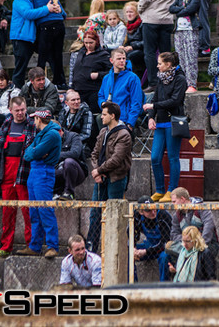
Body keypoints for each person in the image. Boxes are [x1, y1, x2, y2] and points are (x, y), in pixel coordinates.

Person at [0, 96, 35, 258]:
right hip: (7, 176)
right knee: (7, 213)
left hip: (24, 175)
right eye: (17, 110)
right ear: (10, 110)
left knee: (28, 212)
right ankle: (6, 246)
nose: (20, 113)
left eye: (23, 109)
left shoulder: (32, 124)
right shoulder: (6, 125)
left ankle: (31, 245)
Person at [87, 101, 132, 253]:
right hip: (101, 178)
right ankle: (92, 246)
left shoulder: (124, 134)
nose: (101, 117)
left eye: (104, 114)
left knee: (115, 214)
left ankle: (115, 248)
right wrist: (97, 172)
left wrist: (99, 170)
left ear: (112, 116)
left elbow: (116, 159)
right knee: (95, 213)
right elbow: (94, 153)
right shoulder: (103, 132)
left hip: (116, 179)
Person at [17, 109, 61, 259]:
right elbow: (28, 153)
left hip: (44, 172)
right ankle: (35, 246)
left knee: (45, 210)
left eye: (34, 119)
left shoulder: (51, 134)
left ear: (39, 119)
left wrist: (34, 152)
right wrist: (34, 152)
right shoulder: (42, 134)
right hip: (35, 172)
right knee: (34, 211)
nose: (33, 121)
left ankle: (52, 246)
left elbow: (33, 153)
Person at [143, 52, 186, 201]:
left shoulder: (180, 79)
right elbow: (155, 98)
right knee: (155, 157)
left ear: (168, 65)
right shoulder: (161, 78)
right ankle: (160, 190)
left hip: (173, 122)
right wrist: (150, 117)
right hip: (160, 122)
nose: (157, 66)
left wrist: (153, 105)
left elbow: (175, 101)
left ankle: (172, 190)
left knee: (173, 157)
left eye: (160, 63)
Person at [10, 0, 61, 88]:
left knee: (50, 56)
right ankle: (17, 91)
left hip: (31, 37)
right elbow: (28, 13)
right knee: (21, 67)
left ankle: (54, 83)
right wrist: (47, 9)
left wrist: (57, 9)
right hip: (21, 37)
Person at [138, 0, 178, 91]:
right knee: (166, 52)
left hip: (151, 19)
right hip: (167, 20)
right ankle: (167, 79)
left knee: (149, 52)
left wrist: (140, 10)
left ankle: (153, 82)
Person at [162, 187, 219, 280]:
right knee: (168, 246)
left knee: (201, 254)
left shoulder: (201, 208)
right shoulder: (176, 215)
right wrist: (187, 239)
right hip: (186, 245)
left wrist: (198, 241)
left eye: (174, 201)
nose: (173, 205)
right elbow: (174, 234)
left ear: (182, 199)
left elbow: (209, 227)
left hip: (205, 245)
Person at [169, 0, 201, 92]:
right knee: (180, 57)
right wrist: (182, 9)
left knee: (190, 57)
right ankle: (182, 83)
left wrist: (180, 10)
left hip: (190, 30)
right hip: (179, 31)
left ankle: (192, 83)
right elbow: (171, 9)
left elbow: (190, 10)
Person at [97, 48, 142, 129]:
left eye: (124, 58)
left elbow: (136, 102)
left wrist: (130, 124)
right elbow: (100, 95)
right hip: (108, 117)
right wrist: (102, 103)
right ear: (111, 60)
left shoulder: (133, 78)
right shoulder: (106, 78)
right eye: (119, 58)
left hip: (124, 119)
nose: (122, 61)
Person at [69, 31, 111, 115]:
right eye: (86, 43)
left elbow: (111, 72)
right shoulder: (81, 53)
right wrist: (71, 87)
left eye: (91, 43)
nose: (88, 45)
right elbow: (75, 71)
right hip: (78, 91)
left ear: (96, 41)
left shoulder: (103, 55)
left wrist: (98, 75)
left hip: (93, 91)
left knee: (94, 114)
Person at [133, 197, 173, 281]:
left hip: (163, 248)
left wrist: (146, 252)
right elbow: (132, 233)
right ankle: (133, 284)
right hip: (149, 244)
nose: (153, 212)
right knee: (128, 254)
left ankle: (164, 287)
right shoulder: (136, 216)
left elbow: (165, 242)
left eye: (153, 208)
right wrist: (133, 248)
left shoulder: (163, 215)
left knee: (164, 257)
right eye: (148, 211)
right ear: (141, 212)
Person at [54, 126, 87, 201]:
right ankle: (55, 192)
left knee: (69, 162)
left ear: (59, 131)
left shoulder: (73, 136)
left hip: (76, 171)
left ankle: (69, 193)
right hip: (57, 170)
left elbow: (75, 153)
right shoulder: (49, 139)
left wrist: (56, 156)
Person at [121, 1, 147, 83]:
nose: (129, 14)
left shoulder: (142, 24)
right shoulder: (128, 25)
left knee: (130, 57)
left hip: (141, 50)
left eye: (131, 12)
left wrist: (133, 47)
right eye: (127, 12)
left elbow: (146, 41)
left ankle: (133, 81)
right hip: (130, 49)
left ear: (136, 13)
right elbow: (127, 40)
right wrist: (124, 46)